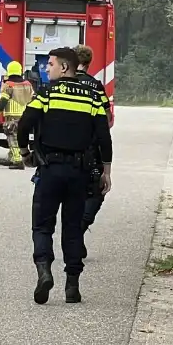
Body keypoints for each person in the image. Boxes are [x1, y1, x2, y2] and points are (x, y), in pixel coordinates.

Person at [17, 47, 112, 304]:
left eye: (50, 64)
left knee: (42, 225)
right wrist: (106, 171)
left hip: (49, 170)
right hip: (79, 173)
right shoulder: (92, 96)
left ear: (64, 67)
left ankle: (44, 270)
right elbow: (104, 135)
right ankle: (72, 285)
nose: (46, 69)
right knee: (72, 229)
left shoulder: (46, 94)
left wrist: (25, 152)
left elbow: (24, 123)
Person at [74, 44, 112, 232]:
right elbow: (107, 119)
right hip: (91, 149)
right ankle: (80, 227)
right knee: (96, 190)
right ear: (89, 63)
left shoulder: (60, 85)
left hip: (64, 148)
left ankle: (73, 233)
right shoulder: (96, 86)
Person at [0, 61, 35, 169]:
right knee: (21, 137)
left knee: (12, 138)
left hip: (12, 116)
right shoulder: (28, 84)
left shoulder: (8, 85)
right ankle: (13, 157)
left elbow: (3, 101)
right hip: (25, 115)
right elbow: (33, 99)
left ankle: (17, 161)